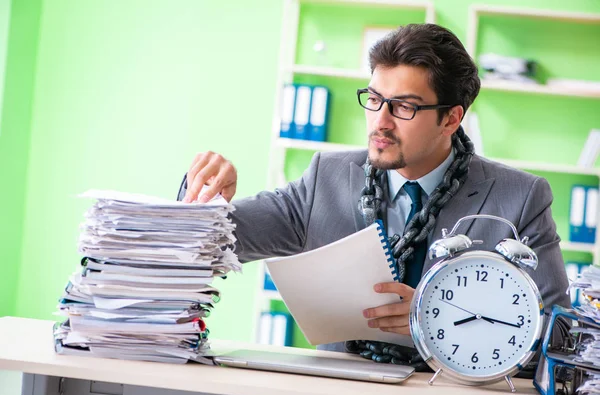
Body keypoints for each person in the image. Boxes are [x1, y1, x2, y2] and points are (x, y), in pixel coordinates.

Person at [178, 23, 570, 368]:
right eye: (375, 99)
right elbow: (210, 244)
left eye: (403, 107)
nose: (379, 121)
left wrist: (442, 318)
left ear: (451, 118)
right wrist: (208, 196)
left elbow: (557, 336)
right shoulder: (325, 179)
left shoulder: (521, 198)